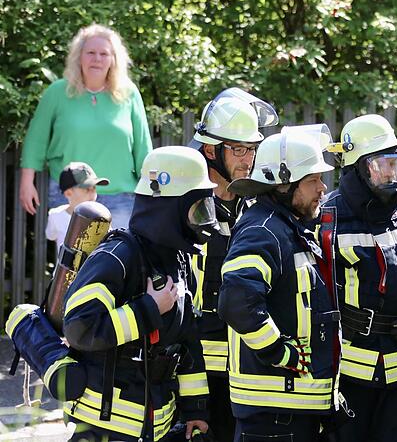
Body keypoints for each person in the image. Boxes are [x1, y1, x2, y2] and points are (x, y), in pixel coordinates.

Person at [62, 146, 215, 441]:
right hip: (104, 427)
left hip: (156, 427)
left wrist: (196, 409)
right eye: (198, 209)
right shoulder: (117, 256)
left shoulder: (180, 261)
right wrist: (148, 309)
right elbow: (81, 327)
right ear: (170, 208)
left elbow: (188, 342)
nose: (205, 220)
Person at [321, 114, 397, 442]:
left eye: (395, 164)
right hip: (349, 374)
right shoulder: (329, 218)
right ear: (356, 169)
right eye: (381, 165)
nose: (391, 174)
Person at [218, 130, 339, 441]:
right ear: (284, 184)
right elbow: (236, 301)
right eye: (313, 179)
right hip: (272, 413)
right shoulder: (263, 230)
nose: (323, 188)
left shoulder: (286, 226)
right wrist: (279, 352)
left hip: (291, 408)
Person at [187, 88, 278, 442]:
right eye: (238, 149)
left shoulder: (253, 206)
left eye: (252, 150)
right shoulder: (185, 204)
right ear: (211, 150)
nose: (247, 159)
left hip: (242, 368)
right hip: (192, 366)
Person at [19, 24, 152, 229]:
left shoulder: (129, 94)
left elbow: (143, 147)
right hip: (70, 197)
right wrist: (27, 182)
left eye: (103, 53)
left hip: (121, 199)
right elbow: (36, 139)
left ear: (113, 60)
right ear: (78, 57)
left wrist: (152, 191)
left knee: (118, 260)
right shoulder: (57, 92)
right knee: (73, 261)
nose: (97, 58)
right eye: (90, 52)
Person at [46, 162, 110, 248]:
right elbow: (50, 235)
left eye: (94, 188)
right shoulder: (56, 215)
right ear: (68, 193)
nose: (92, 193)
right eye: (87, 189)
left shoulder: (102, 217)